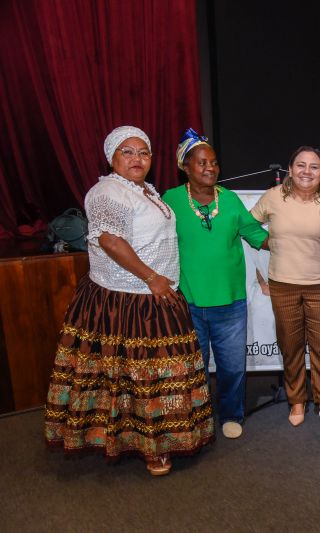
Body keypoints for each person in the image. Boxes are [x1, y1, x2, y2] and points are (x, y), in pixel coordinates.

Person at [44, 126, 214, 476]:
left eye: (144, 153)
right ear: (112, 157)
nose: (137, 159)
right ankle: (151, 448)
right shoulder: (107, 191)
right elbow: (109, 241)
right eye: (128, 152)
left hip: (155, 293)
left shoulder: (143, 190)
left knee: (155, 374)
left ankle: (161, 439)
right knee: (138, 375)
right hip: (126, 300)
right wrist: (152, 277)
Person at [162, 128, 269, 440]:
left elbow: (258, 237)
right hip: (189, 303)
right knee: (192, 368)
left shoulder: (231, 201)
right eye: (201, 163)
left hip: (230, 303)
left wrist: (297, 242)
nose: (210, 168)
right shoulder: (170, 201)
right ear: (185, 167)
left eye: (214, 162)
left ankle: (232, 415)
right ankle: (195, 417)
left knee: (232, 368)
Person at [250, 146, 320, 430]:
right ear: (290, 170)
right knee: (291, 347)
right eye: (301, 165)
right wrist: (266, 242)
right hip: (283, 285)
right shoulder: (273, 197)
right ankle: (297, 401)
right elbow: (248, 225)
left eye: (314, 166)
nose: (307, 171)